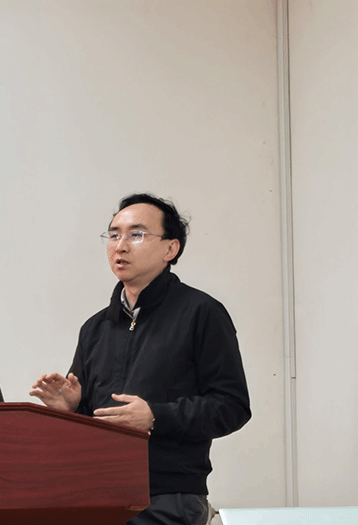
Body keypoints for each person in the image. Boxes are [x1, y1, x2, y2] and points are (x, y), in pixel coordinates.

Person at [30, 193, 251, 525]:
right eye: (113, 235)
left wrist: (155, 417)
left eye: (136, 234)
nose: (120, 246)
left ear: (170, 248)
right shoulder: (95, 328)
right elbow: (95, 422)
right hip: (97, 495)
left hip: (167, 498)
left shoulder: (201, 313)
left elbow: (232, 407)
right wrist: (73, 409)